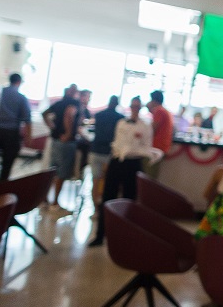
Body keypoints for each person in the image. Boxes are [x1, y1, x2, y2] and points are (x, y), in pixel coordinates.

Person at [88, 96, 159, 247]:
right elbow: (117, 144)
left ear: (140, 108)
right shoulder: (121, 123)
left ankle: (124, 236)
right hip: (116, 162)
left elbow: (146, 147)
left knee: (129, 200)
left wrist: (134, 151)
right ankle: (100, 234)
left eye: (137, 107)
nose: (135, 109)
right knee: (107, 197)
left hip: (133, 164)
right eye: (133, 106)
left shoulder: (145, 126)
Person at [42, 84, 81, 212]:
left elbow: (45, 114)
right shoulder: (74, 103)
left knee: (53, 170)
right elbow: (68, 115)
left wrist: (52, 127)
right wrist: (68, 133)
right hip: (66, 142)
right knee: (62, 172)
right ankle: (55, 202)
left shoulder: (58, 103)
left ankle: (44, 199)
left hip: (55, 139)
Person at [0, 72, 31, 183]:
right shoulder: (21, 98)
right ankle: (1, 187)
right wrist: (28, 137)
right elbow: (27, 119)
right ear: (19, 82)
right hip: (11, 133)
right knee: (7, 164)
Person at [88, 96, 123, 205]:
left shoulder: (99, 115)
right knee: (107, 181)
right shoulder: (119, 118)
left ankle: (95, 207)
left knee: (95, 180)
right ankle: (103, 206)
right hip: (109, 152)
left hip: (95, 150)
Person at [144, 90, 173, 179]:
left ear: (154, 101)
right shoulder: (165, 111)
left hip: (156, 148)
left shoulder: (159, 111)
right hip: (162, 147)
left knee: (149, 175)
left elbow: (151, 129)